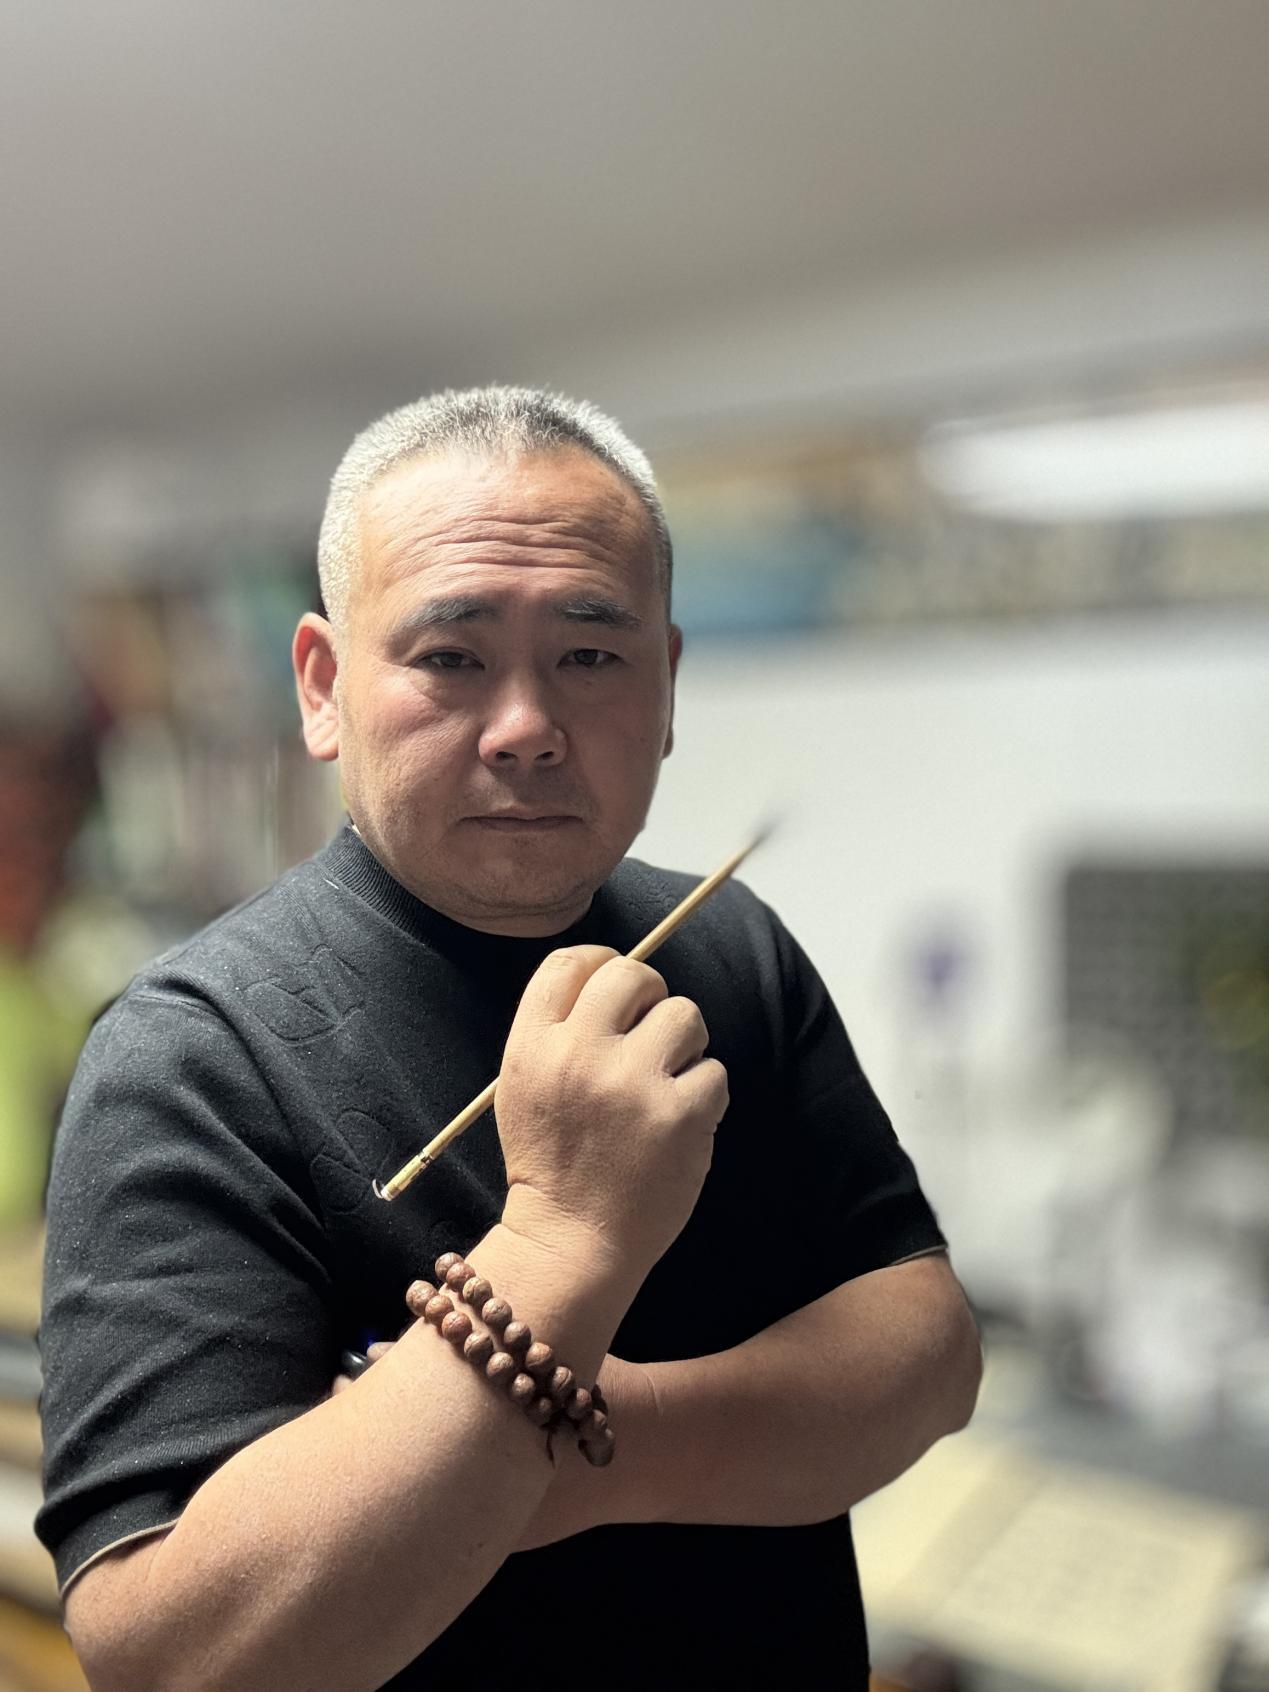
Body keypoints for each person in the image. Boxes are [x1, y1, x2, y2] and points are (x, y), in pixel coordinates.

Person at [37, 386, 981, 1690]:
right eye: (451, 656)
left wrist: (583, 1450)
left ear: (665, 687)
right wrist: (563, 1237)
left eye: (591, 657)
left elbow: (928, 1356)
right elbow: (172, 1658)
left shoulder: (730, 948)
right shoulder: (190, 1055)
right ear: (323, 687)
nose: (530, 724)